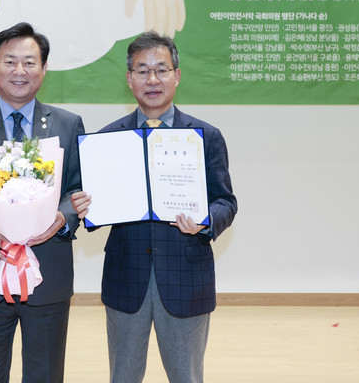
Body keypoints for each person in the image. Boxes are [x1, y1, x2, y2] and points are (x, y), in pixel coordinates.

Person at [71, 31, 237, 383]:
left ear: (177, 75)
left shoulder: (206, 136)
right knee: (123, 376)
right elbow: (97, 209)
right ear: (129, 79)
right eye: (142, 71)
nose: (152, 79)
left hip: (185, 277)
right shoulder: (107, 140)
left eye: (161, 70)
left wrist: (206, 220)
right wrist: (86, 208)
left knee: (186, 376)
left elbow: (226, 201)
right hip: (126, 276)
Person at [0, 22, 85, 383]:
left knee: (45, 375)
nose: (19, 71)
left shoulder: (69, 124)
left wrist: (63, 217)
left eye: (29, 62)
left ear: (44, 68)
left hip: (48, 274)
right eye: (9, 61)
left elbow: (77, 189)